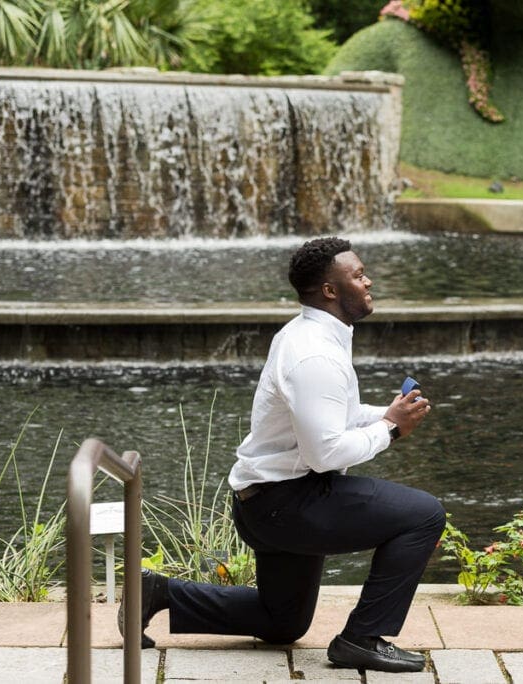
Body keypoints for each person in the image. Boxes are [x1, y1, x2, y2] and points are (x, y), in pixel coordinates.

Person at [119, 237, 445, 674]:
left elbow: (337, 417)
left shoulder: (313, 335)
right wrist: (390, 429)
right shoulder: (313, 353)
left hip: (271, 497)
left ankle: (158, 593)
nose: (369, 282)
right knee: (423, 514)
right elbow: (326, 451)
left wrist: (385, 415)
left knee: (283, 622)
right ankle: (362, 639)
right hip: (285, 502)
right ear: (330, 290)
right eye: (359, 275)